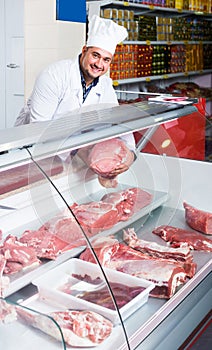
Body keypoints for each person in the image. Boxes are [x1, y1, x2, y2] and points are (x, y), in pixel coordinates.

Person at [15, 15, 135, 178]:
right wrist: (82, 151)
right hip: (33, 153)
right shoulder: (54, 75)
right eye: (95, 55)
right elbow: (40, 129)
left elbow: (116, 124)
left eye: (106, 60)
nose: (99, 64)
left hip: (70, 156)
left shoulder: (105, 85)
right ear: (84, 50)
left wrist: (130, 154)